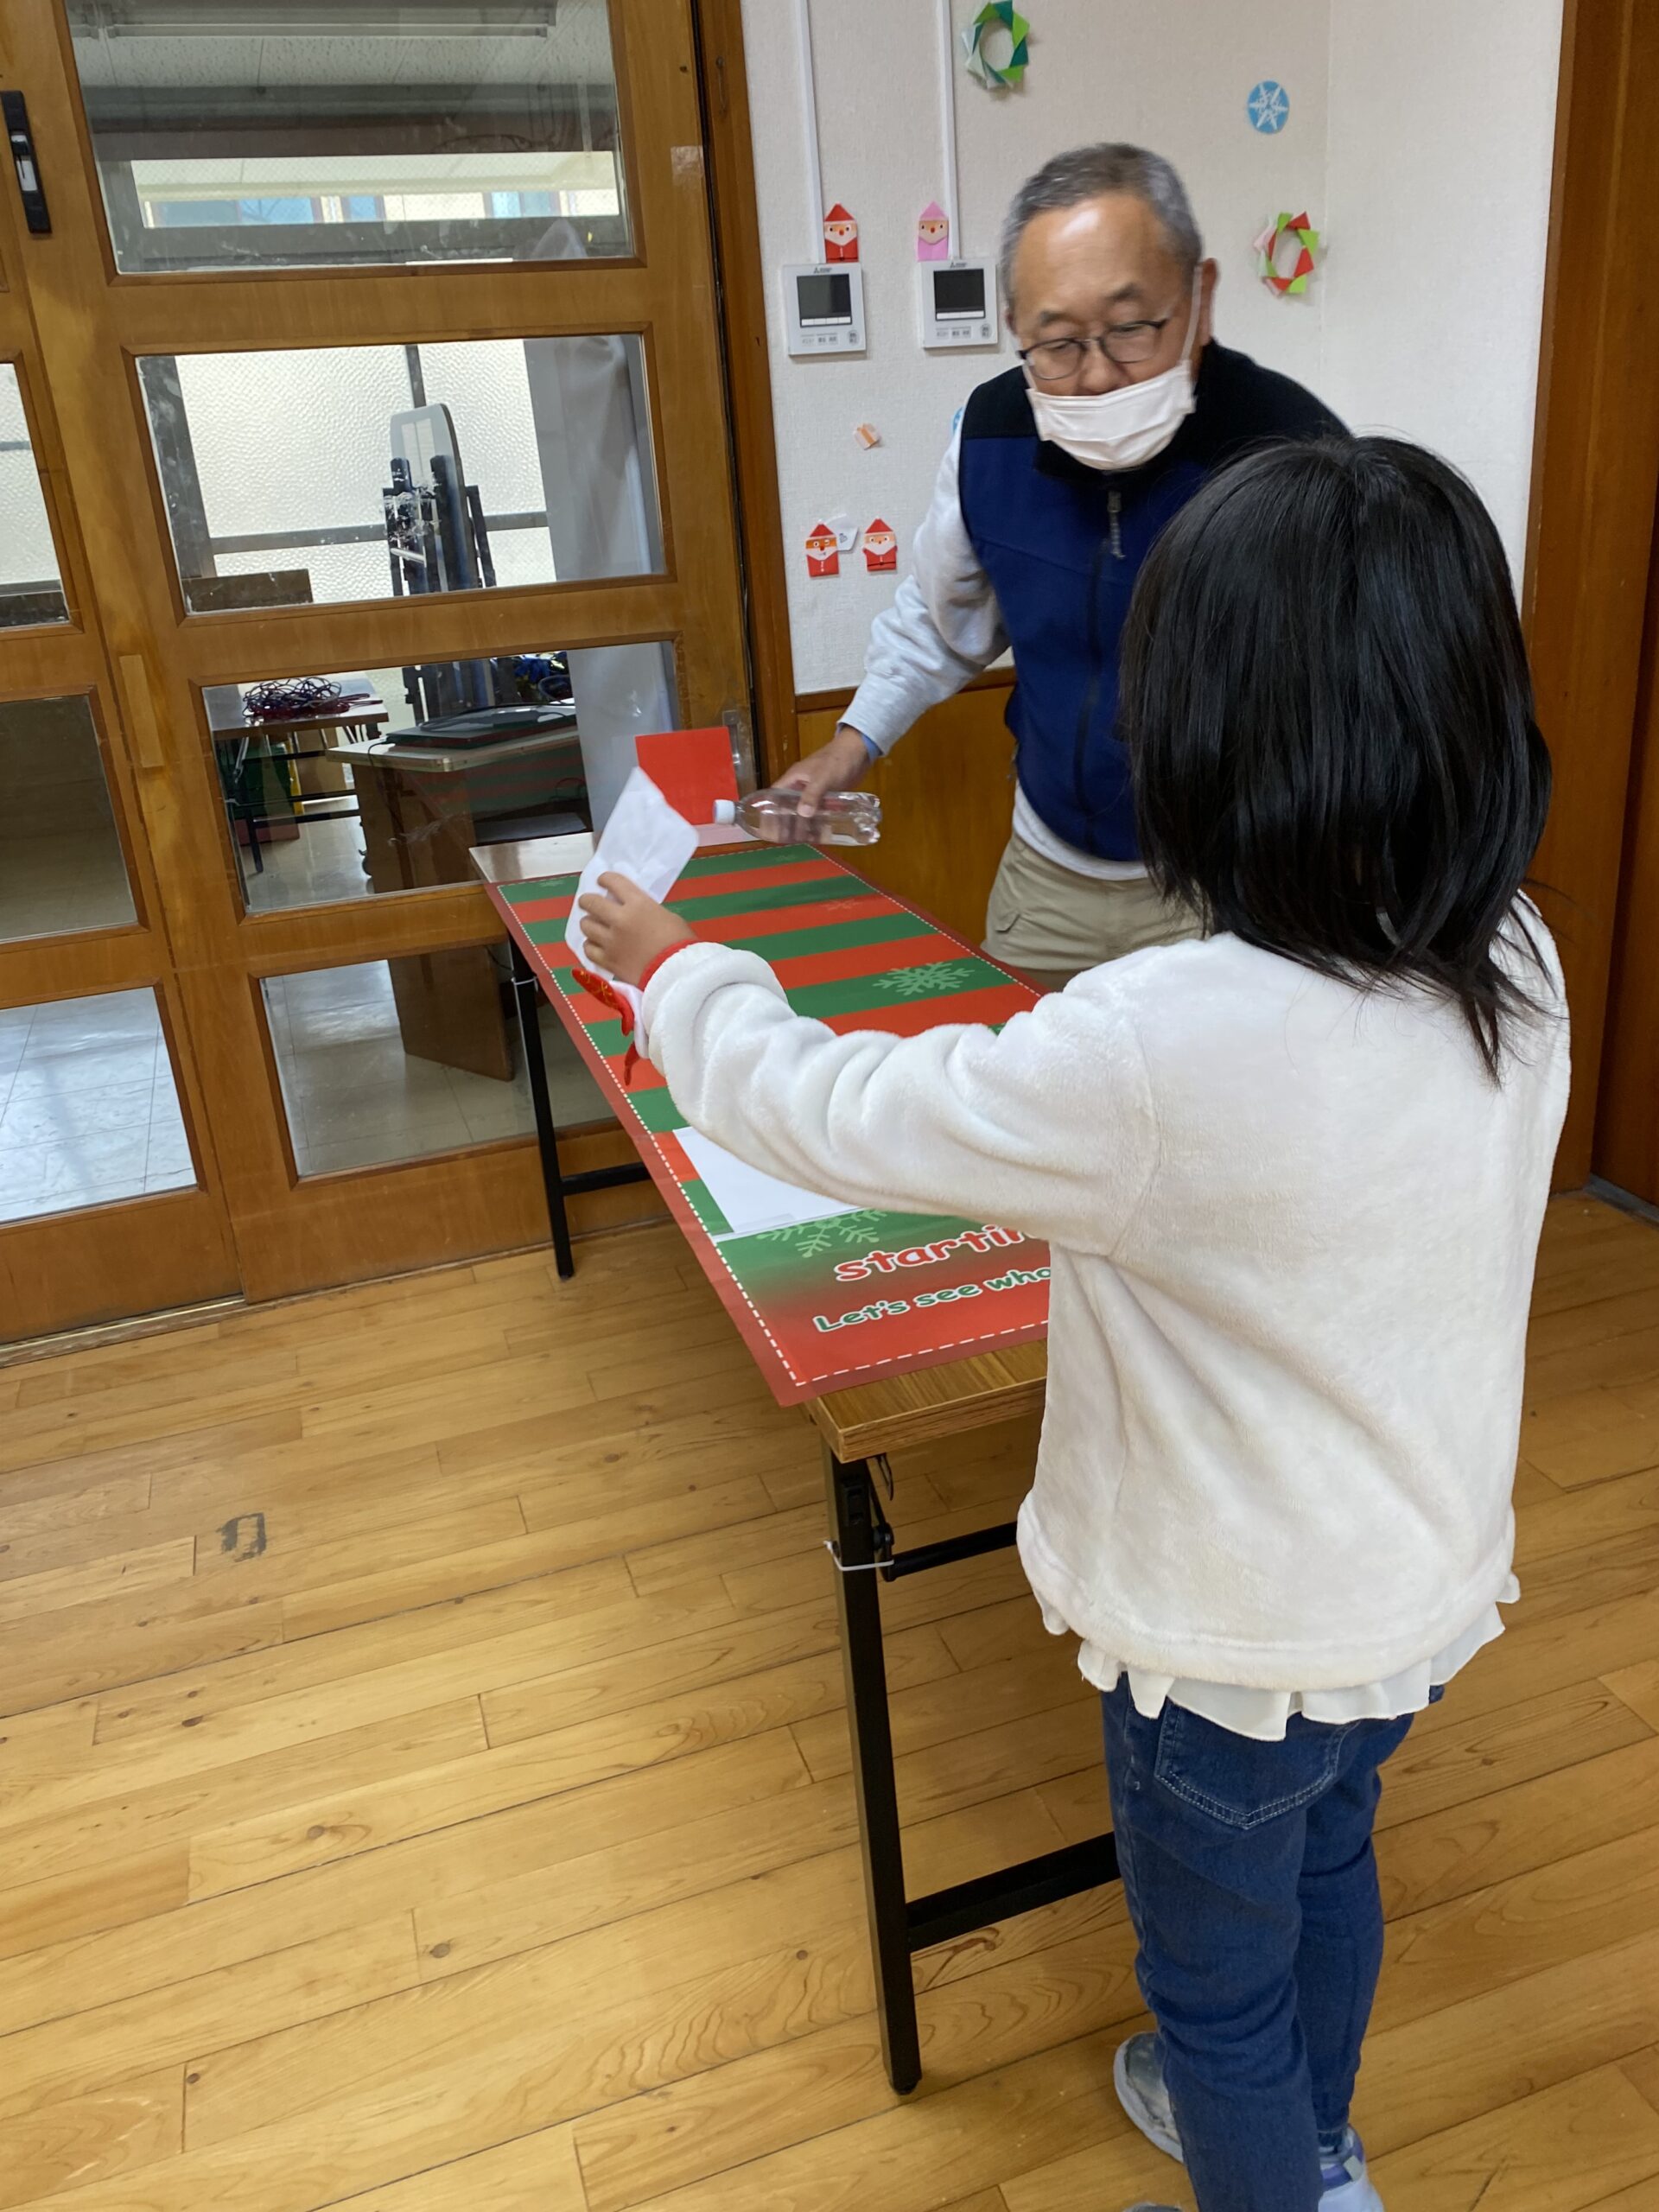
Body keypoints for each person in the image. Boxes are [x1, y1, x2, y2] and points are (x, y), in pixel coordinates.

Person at [580, 435, 1569, 2212]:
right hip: (1410, 1600)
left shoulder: (1157, 1043)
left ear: (1204, 742)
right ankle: (1322, 2148)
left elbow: (827, 1109)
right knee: (1330, 1860)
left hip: (1225, 1645)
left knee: (1214, 1992)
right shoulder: (1515, 961)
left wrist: (678, 969)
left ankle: (1286, 2172)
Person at [779, 142, 1344, 989]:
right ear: (1016, 328)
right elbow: (940, 620)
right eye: (1057, 343)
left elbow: (1356, 695)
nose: (1097, 377)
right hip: (1048, 876)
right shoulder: (991, 437)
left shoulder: (1293, 453)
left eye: (1131, 329)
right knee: (1012, 1065)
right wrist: (850, 746)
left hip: (1225, 886)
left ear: (1199, 300)